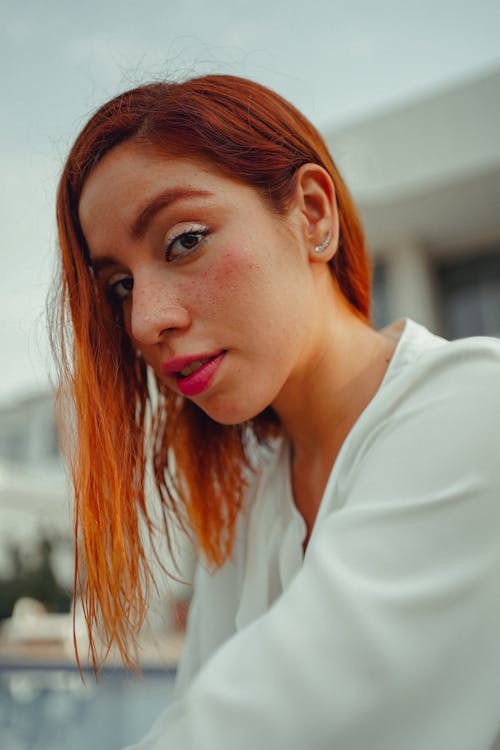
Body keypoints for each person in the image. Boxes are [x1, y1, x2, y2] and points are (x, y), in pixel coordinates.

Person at [53, 74, 500, 750]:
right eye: (120, 286)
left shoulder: (474, 407)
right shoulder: (251, 502)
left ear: (313, 214)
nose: (145, 321)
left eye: (184, 241)